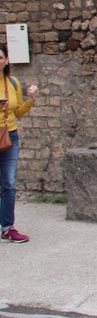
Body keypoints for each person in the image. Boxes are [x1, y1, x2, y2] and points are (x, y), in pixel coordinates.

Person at [0, 46, 38, 243]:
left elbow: (18, 113)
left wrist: (31, 100)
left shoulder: (12, 83)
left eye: (0, 57)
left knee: (8, 183)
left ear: (6, 60)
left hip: (9, 137)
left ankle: (8, 227)